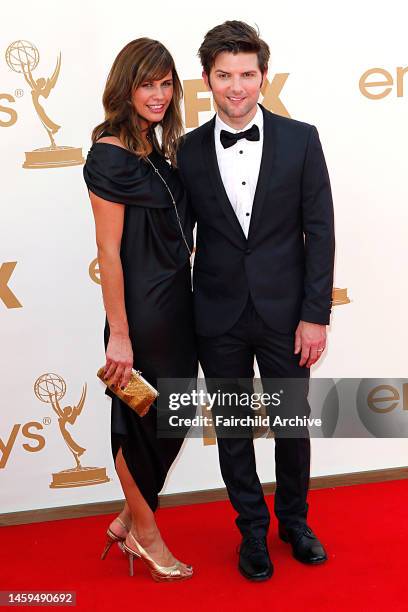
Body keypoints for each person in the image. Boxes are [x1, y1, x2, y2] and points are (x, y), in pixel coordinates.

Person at [177, 21, 335, 581]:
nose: (236, 86)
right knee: (235, 429)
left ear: (263, 76)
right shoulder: (187, 150)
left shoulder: (301, 139)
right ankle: (251, 530)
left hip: (286, 315)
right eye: (224, 75)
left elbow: (321, 231)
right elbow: (177, 240)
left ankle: (294, 521)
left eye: (247, 74)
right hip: (217, 317)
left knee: (292, 426)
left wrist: (315, 315)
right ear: (207, 80)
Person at [83, 38, 197, 582]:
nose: (157, 94)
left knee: (174, 416)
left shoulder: (153, 146)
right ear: (125, 88)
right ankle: (145, 534)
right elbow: (109, 253)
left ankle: (130, 516)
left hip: (178, 307)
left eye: (165, 83)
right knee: (138, 419)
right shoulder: (108, 153)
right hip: (141, 317)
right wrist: (120, 335)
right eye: (146, 84)